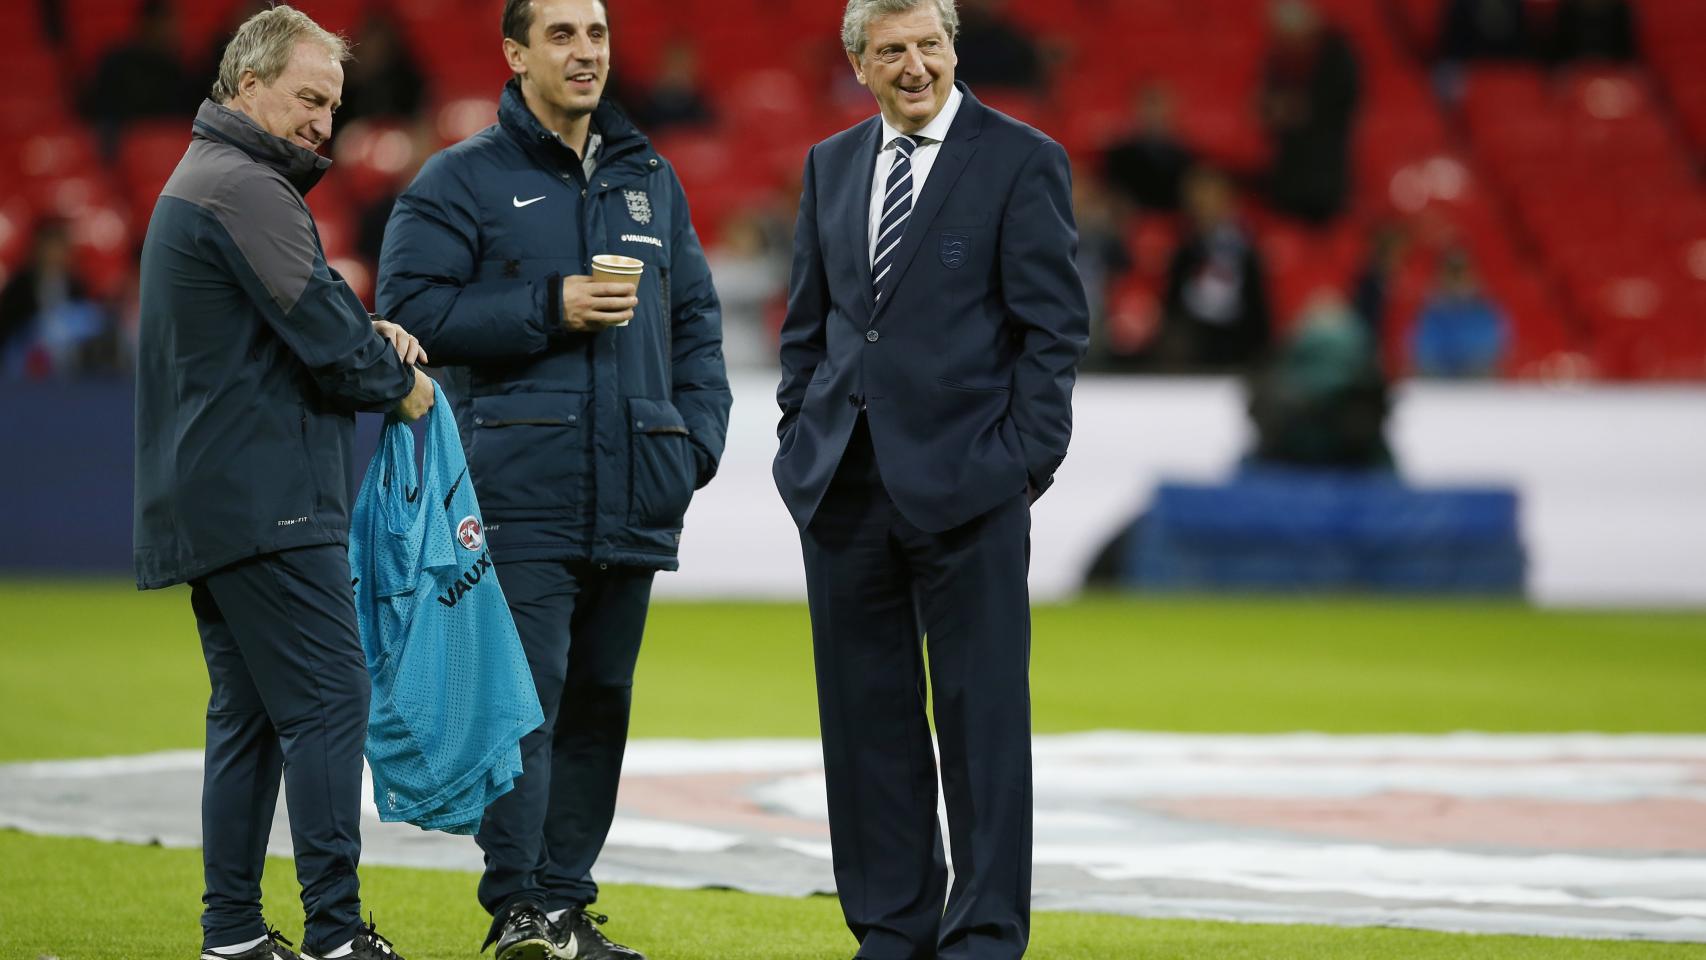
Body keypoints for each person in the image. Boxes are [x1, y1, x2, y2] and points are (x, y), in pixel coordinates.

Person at [375, 1, 731, 958]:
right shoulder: (459, 181)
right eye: (563, 35)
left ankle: (565, 906)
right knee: (522, 710)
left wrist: (691, 442)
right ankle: (519, 908)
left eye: (598, 35)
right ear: (514, 53)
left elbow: (695, 323)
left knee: (598, 710)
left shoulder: (651, 179)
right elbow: (408, 315)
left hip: (637, 486)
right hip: (517, 491)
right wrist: (551, 303)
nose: (586, 53)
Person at [773, 1, 1088, 957]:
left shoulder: (1022, 157)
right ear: (859, 65)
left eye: (930, 45)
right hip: (844, 487)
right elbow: (809, 327)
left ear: (954, 49)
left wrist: (1019, 462)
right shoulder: (829, 165)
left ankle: (985, 934)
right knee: (864, 728)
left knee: (981, 722)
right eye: (892, 51)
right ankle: (890, 926)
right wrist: (801, 437)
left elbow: (1055, 330)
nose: (915, 66)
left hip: (970, 488)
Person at [132, 6, 436, 960]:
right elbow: (322, 333)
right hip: (269, 497)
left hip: (214, 490)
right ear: (248, 83)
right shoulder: (246, 186)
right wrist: (404, 383)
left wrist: (360, 330)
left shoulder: (207, 179)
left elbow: (299, 317)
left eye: (334, 105)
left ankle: (230, 933)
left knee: (251, 717)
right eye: (308, 98)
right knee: (328, 703)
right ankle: (337, 938)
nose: (323, 122)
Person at [1155, 166, 1272, 373]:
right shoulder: (1184, 250)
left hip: (1238, 345)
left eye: (1210, 196)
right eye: (1197, 198)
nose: (1203, 205)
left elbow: (1258, 308)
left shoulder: (1249, 248)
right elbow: (1173, 305)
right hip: (1192, 346)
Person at [1258, 0, 1360, 224]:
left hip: (1324, 177)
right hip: (1288, 176)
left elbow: (1337, 104)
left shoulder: (1335, 55)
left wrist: (1293, 109)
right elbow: (1264, 105)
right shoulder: (1279, 59)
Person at [1411, 247, 1508, 378]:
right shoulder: (1430, 312)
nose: (1457, 279)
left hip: (1478, 378)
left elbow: (1495, 347)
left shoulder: (1486, 310)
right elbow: (1422, 348)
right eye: (1452, 273)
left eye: (1461, 272)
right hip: (1439, 379)